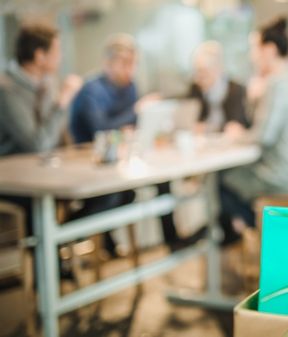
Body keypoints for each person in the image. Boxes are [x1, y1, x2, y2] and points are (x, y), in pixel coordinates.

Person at [69, 34, 182, 253]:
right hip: (88, 165)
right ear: (108, 63)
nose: (130, 70)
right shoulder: (91, 90)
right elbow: (100, 129)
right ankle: (63, 238)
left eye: (133, 64)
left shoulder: (130, 87)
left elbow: (132, 127)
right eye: (124, 63)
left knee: (161, 181)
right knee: (113, 196)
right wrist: (136, 111)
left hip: (121, 160)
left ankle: (172, 240)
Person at [218, 18, 288, 244]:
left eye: (254, 48)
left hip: (284, 175)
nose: (251, 56)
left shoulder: (277, 83)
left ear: (270, 50)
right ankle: (257, 230)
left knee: (221, 179)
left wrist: (236, 135)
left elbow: (263, 136)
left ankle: (257, 231)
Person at [0, 23, 82, 231]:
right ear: (40, 56)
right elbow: (37, 144)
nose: (60, 57)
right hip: (14, 182)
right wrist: (62, 102)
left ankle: (64, 249)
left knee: (110, 195)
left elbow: (57, 135)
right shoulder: (6, 89)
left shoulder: (47, 83)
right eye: (57, 51)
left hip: (45, 172)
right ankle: (54, 254)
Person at [187, 40, 249, 132]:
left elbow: (236, 126)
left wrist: (208, 128)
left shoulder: (236, 90)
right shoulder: (196, 88)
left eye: (203, 72)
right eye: (196, 72)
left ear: (217, 69)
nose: (198, 78)